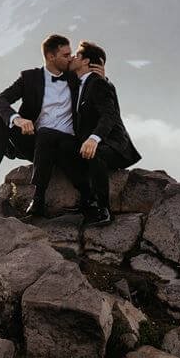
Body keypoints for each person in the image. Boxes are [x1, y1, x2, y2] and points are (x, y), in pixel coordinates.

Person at [0, 32, 85, 217]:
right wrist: (18, 119)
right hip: (36, 144)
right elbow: (0, 101)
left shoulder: (75, 78)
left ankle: (38, 200)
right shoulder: (30, 78)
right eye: (65, 55)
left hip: (65, 146)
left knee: (48, 134)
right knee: (1, 117)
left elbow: (100, 95)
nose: (70, 58)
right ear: (50, 56)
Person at [71, 40, 141, 227]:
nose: (72, 57)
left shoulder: (98, 84)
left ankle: (103, 210)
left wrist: (94, 139)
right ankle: (86, 200)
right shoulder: (79, 83)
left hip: (114, 146)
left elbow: (109, 115)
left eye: (77, 55)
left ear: (86, 62)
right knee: (62, 147)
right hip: (90, 142)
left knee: (96, 154)